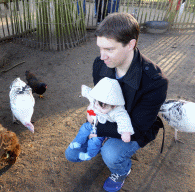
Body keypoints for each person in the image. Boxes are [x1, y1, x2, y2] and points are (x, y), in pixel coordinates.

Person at [65, 13, 168, 192]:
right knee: (72, 155)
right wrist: (92, 111)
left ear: (130, 44)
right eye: (100, 48)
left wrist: (96, 127)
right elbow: (100, 99)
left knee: (111, 154)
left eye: (109, 49)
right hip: (106, 119)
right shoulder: (100, 64)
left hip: (132, 129)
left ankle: (121, 170)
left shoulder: (155, 81)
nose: (102, 56)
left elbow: (139, 126)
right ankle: (101, 144)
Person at [69, 77, 134, 161]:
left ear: (113, 106)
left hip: (104, 129)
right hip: (95, 119)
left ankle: (89, 154)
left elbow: (124, 121)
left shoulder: (118, 111)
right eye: (96, 105)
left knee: (94, 141)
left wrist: (126, 132)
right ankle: (78, 142)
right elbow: (89, 93)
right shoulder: (96, 98)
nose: (98, 109)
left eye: (103, 108)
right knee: (84, 128)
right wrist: (84, 89)